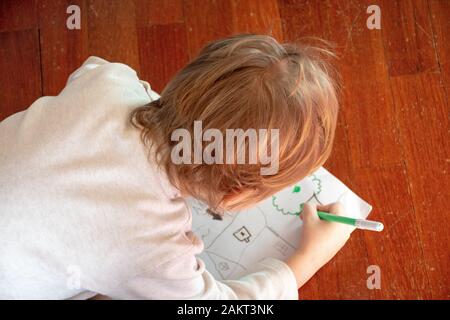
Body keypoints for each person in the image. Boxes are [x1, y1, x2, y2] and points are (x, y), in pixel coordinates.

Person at [0, 34, 353, 299]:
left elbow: (91, 77)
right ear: (233, 197)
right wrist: (307, 257)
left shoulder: (110, 78)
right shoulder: (156, 250)